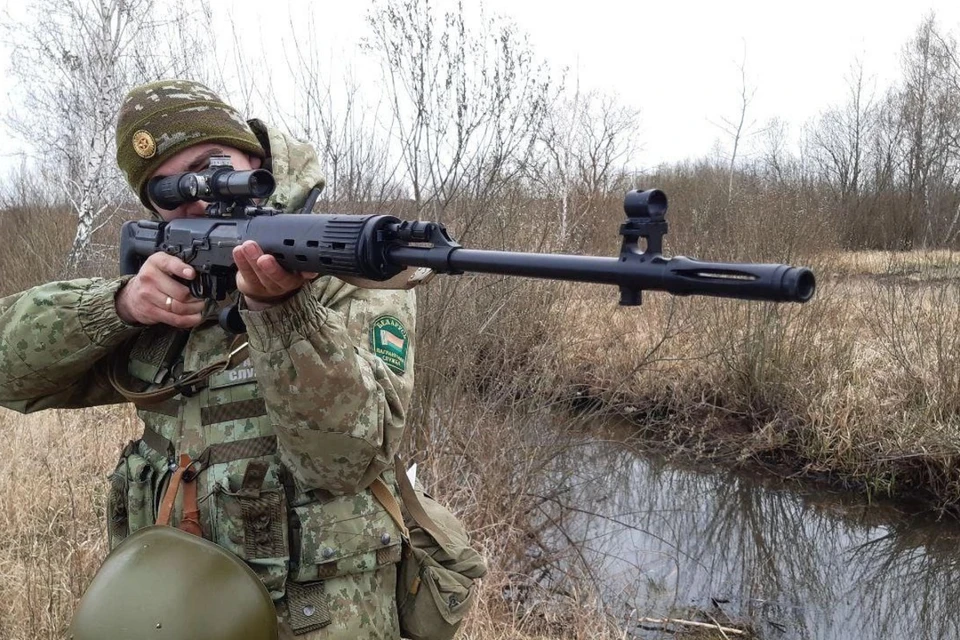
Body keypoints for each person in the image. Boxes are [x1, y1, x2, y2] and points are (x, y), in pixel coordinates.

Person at [0, 79, 416, 639]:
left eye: (210, 165)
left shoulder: (350, 278)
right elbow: (10, 371)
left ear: (253, 156)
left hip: (320, 619)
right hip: (169, 613)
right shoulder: (165, 289)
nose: (197, 196)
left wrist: (282, 309)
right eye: (168, 191)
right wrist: (118, 305)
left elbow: (345, 462)